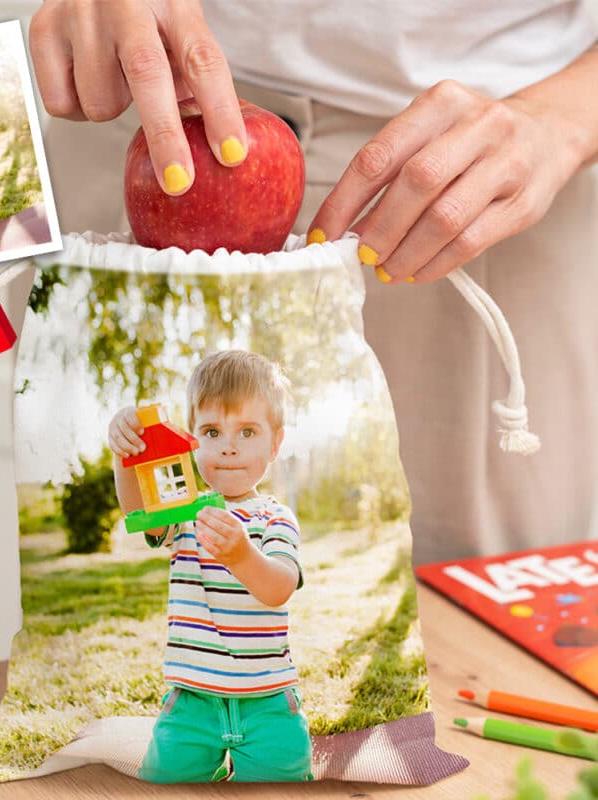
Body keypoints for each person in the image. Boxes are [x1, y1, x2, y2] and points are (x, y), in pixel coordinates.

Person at [30, 1, 598, 564]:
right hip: (140, 118)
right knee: (95, 537)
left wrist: (566, 117)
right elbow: (140, 523)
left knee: (476, 616)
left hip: (463, 171)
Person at [108, 350, 312, 783]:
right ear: (193, 438)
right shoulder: (183, 511)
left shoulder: (274, 517)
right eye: (213, 431)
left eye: (248, 431)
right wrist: (125, 453)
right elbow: (136, 507)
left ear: (275, 444)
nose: (229, 446)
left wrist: (241, 555)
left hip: (268, 702)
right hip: (191, 704)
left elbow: (279, 587)